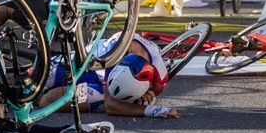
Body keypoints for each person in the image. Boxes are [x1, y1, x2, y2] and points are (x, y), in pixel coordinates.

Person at [38, 31, 180, 118]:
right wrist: (152, 111)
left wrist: (139, 94)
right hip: (65, 68)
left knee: (97, 96)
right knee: (43, 96)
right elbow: (111, 105)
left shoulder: (158, 78)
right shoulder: (119, 50)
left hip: (96, 81)